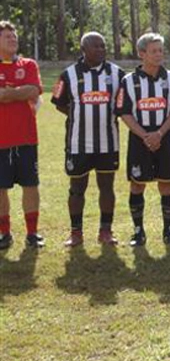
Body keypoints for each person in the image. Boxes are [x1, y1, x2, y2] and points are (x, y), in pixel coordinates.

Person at [52, 32, 125, 247]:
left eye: (103, 46)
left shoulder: (117, 73)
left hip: (108, 143)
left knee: (107, 187)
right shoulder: (68, 75)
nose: (102, 50)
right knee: (77, 188)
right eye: (96, 47)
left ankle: (105, 230)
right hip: (78, 144)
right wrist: (80, 116)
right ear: (84, 49)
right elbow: (59, 102)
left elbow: (123, 104)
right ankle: (76, 232)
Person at [116, 33, 170, 246]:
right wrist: (145, 135)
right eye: (153, 51)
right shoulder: (128, 81)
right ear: (141, 54)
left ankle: (169, 230)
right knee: (137, 184)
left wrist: (159, 133)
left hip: (165, 137)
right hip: (140, 139)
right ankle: (138, 231)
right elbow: (124, 112)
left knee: (166, 183)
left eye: (161, 51)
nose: (158, 55)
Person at [0, 21, 44, 249]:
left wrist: (7, 93)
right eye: (7, 36)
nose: (13, 39)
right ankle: (4, 233)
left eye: (14, 36)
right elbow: (24, 91)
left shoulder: (28, 64)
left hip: (26, 138)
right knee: (0, 189)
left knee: (30, 185)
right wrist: (19, 92)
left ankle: (32, 233)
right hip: (0, 140)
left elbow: (34, 90)